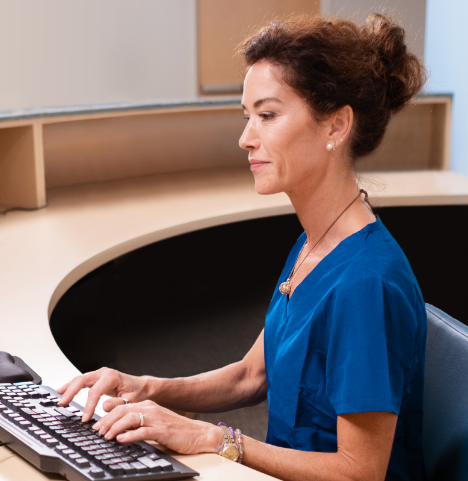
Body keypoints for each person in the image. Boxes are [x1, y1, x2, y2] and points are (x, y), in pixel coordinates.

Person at [57, 13, 427, 481]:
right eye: (247, 117)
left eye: (267, 116)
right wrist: (144, 388)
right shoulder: (314, 245)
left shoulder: (365, 284)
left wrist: (215, 440)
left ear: (336, 126)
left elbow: (360, 471)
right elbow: (251, 376)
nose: (246, 138)